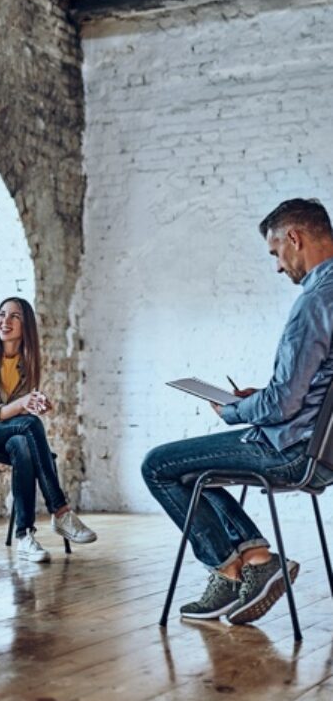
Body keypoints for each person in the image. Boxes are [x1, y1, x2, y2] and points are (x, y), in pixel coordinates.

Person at [142, 198, 333, 624]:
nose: (278, 267)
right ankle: (257, 556)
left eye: (275, 254)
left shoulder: (315, 301)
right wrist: (259, 394)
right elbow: (314, 387)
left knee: (158, 465)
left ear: (294, 239)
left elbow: (284, 404)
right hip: (324, 454)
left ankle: (231, 572)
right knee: (193, 472)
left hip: (288, 450)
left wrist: (233, 409)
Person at [0, 297, 97, 563]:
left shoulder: (25, 361)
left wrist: (34, 404)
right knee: (30, 426)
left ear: (25, 324)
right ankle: (61, 511)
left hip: (5, 430)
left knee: (23, 445)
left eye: (14, 317)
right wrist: (23, 407)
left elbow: (16, 412)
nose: (4, 321)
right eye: (1, 315)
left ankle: (24, 537)